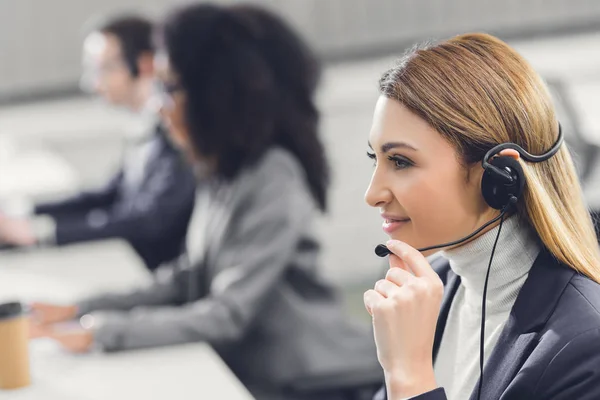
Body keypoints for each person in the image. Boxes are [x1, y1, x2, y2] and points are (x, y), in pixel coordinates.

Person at [30, 4, 381, 400]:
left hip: (310, 381)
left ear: (216, 94)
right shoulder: (223, 170)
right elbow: (190, 277)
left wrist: (101, 331)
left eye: (171, 88)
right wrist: (83, 309)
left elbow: (227, 313)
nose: (160, 105)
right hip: (252, 371)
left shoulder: (274, 175)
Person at [362, 34, 600, 399]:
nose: (372, 194)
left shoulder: (584, 344)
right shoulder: (432, 288)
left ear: (498, 177)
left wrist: (408, 374)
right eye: (374, 159)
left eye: (400, 161)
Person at [0, 15, 196, 271]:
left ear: (145, 64)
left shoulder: (176, 131)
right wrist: (24, 212)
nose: (91, 83)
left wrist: (40, 232)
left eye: (102, 69)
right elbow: (111, 194)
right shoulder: (144, 127)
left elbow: (148, 220)